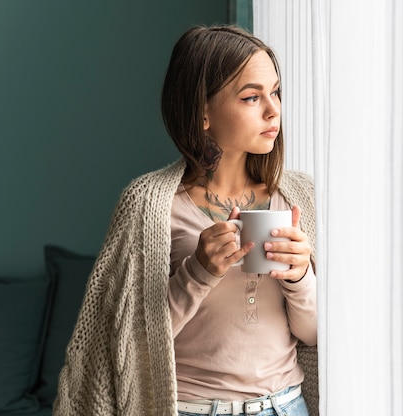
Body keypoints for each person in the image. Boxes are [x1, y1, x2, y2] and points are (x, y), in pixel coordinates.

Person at [53, 25, 318, 416]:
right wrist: (198, 272)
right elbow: (128, 347)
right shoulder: (149, 204)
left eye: (275, 92)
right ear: (203, 113)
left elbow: (315, 336)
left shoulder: (299, 196)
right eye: (251, 97)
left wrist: (299, 277)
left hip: (286, 406)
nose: (273, 110)